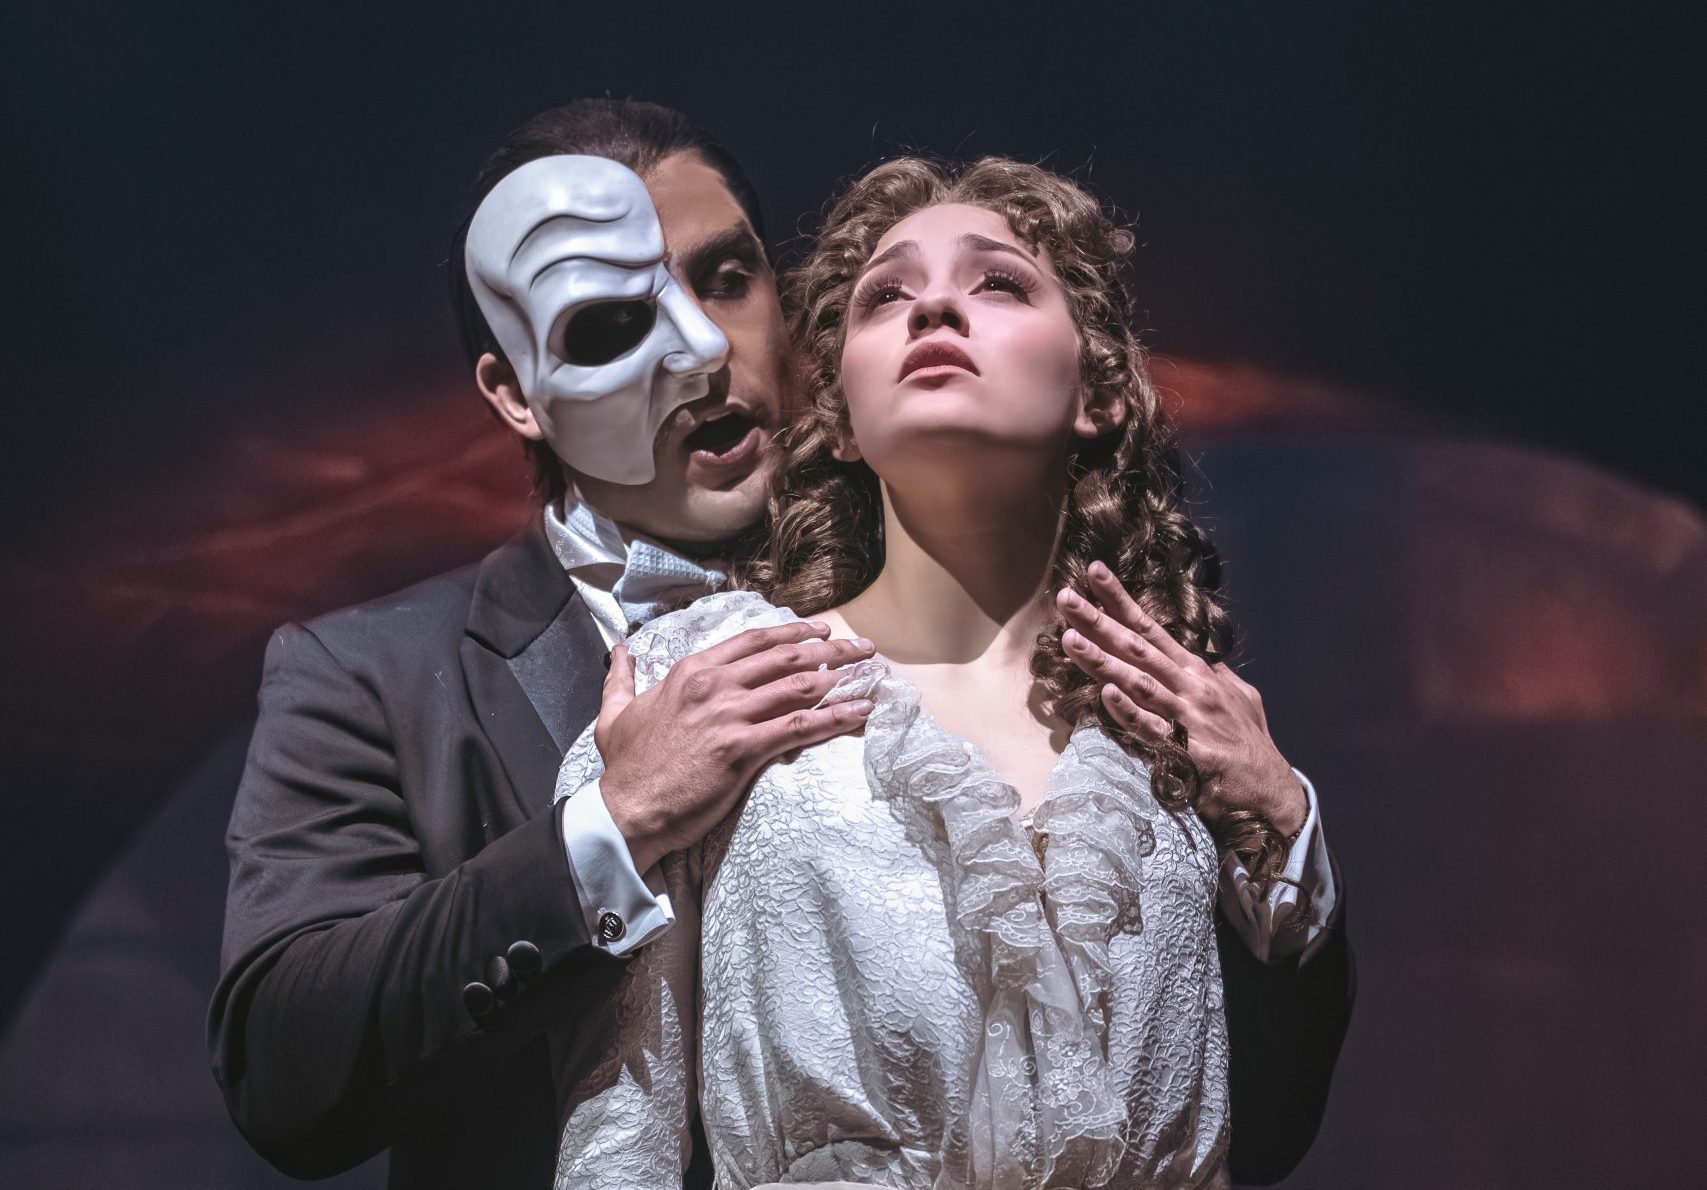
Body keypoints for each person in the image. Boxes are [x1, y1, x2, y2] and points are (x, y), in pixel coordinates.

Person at [209, 101, 1350, 1190]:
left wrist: (1282, 836)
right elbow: (286, 1069)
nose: (702, 349)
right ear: (515, 395)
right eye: (610, 323)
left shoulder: (1085, 654)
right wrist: (612, 829)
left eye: (728, 279)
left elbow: (1238, 1114)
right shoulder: (373, 675)